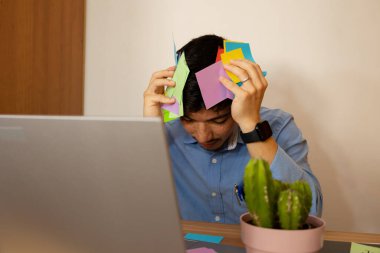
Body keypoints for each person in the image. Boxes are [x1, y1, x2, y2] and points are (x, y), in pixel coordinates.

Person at [143, 34, 322, 224]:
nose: (203, 136)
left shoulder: (278, 127)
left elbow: (310, 214)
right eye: (188, 120)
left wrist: (251, 126)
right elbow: (135, 214)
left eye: (218, 120)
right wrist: (148, 133)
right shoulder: (167, 133)